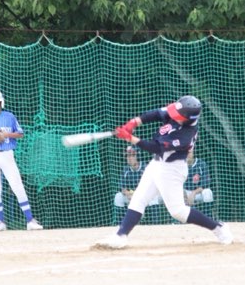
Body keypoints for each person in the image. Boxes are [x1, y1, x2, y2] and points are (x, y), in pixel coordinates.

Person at [95, 95, 233, 249]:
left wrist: (130, 138)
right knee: (139, 199)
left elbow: (156, 147)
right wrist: (134, 122)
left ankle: (218, 227)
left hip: (172, 169)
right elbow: (156, 114)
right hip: (157, 164)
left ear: (188, 118)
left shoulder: (185, 134)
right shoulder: (180, 111)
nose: (173, 115)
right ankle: (121, 236)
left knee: (178, 212)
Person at [0, 90, 43, 232]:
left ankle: (30, 220)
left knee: (17, 185)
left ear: (1, 103)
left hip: (7, 154)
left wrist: (6, 134)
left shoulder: (9, 116)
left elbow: (20, 134)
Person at [113, 145, 163, 224]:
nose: (130, 158)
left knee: (154, 197)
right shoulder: (126, 170)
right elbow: (123, 188)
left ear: (138, 156)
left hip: (145, 195)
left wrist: (138, 195)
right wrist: (129, 194)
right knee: (118, 197)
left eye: (132, 155)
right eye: (128, 156)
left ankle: (155, 225)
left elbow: (151, 186)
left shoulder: (145, 168)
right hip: (131, 196)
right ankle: (119, 224)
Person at [184, 149, 214, 217]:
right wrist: (184, 194)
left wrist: (193, 193)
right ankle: (176, 221)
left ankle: (208, 218)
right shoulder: (180, 165)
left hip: (198, 192)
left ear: (193, 153)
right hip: (185, 192)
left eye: (189, 153)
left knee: (207, 192)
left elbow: (205, 185)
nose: (187, 155)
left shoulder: (201, 164)